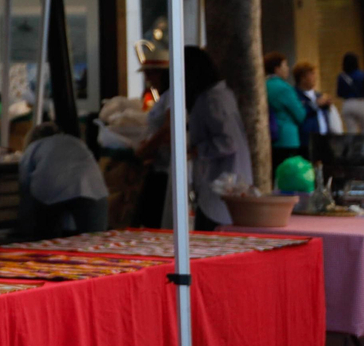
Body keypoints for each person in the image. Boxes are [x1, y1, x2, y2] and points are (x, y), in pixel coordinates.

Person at [136, 47, 251, 231]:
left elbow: (229, 141)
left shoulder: (213, 99)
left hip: (221, 183)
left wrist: (194, 151)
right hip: (215, 183)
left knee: (210, 232)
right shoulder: (212, 97)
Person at [17, 122, 109, 239]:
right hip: (93, 187)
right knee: (95, 237)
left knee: (47, 238)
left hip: (51, 188)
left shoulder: (34, 146)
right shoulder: (75, 141)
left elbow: (24, 180)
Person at [264, 52, 306, 170]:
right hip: (287, 138)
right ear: (277, 69)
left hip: (270, 136)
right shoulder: (284, 88)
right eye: (285, 65)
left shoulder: (264, 85)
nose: (288, 68)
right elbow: (300, 114)